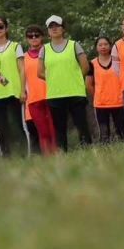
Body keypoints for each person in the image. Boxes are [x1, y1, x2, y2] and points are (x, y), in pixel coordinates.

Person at [38, 16, 93, 151]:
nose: (54, 29)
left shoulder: (74, 45)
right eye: (51, 27)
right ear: (48, 31)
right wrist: (55, 79)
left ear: (63, 28)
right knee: (59, 129)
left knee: (82, 125)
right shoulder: (44, 49)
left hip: (75, 92)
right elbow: (40, 72)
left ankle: (88, 151)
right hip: (55, 94)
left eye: (57, 26)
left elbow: (85, 67)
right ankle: (63, 154)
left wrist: (74, 78)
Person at [0, 16, 29, 157]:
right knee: (2, 128)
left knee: (18, 125)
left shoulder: (15, 46)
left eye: (0, 26)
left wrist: (22, 90)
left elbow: (22, 69)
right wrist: (1, 80)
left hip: (14, 92)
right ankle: (7, 156)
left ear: (6, 28)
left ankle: (23, 155)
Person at [22, 26, 57, 155]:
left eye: (36, 35)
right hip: (34, 100)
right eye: (30, 36)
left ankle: (59, 156)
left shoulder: (50, 52)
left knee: (54, 130)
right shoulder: (23, 58)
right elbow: (17, 77)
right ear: (27, 39)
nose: (34, 38)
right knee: (43, 132)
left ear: (42, 37)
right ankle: (48, 158)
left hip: (52, 95)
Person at [88, 37, 124, 142]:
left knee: (122, 132)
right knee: (104, 135)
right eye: (100, 45)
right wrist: (97, 95)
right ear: (96, 47)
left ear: (110, 46)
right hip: (101, 104)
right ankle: (106, 150)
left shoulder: (118, 61)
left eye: (105, 44)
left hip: (119, 101)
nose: (103, 47)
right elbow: (88, 84)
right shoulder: (92, 64)